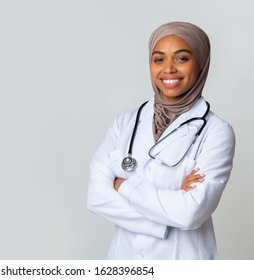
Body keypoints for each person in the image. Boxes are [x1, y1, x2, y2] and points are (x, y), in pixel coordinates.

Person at [87, 21, 236, 260]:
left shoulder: (217, 131)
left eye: (181, 58)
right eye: (158, 59)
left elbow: (190, 213)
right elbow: (96, 198)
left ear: (201, 63)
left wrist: (123, 186)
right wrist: (168, 213)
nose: (168, 69)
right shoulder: (124, 123)